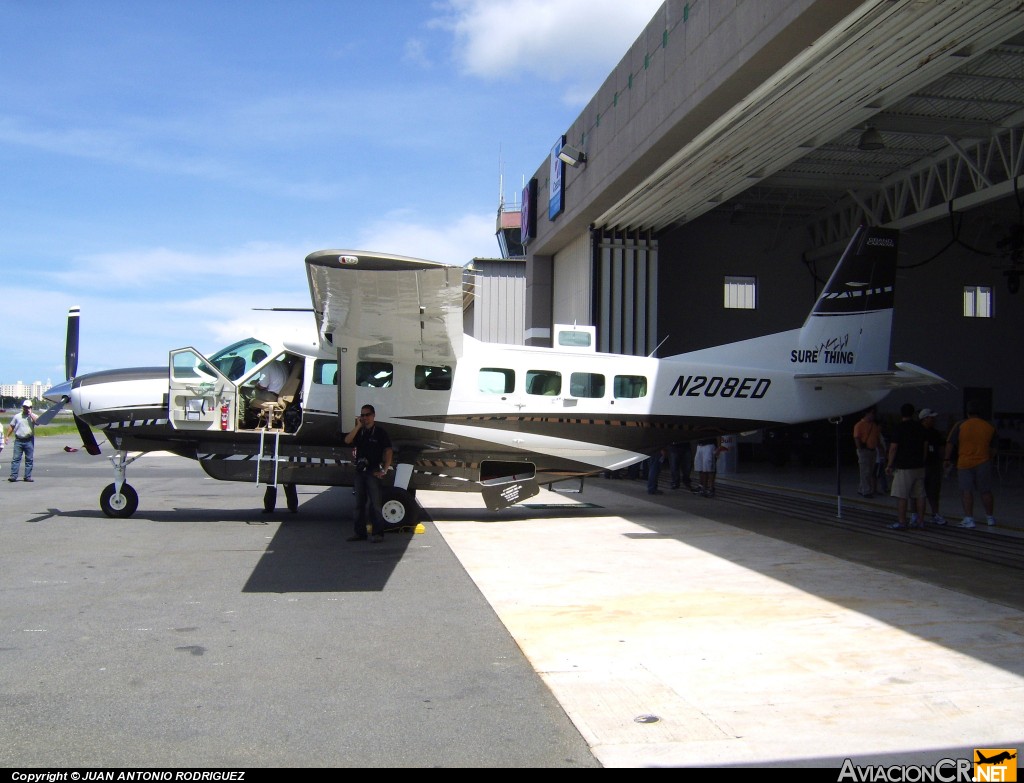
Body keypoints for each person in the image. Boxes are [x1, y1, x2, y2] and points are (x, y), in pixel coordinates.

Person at [343, 404, 393, 543]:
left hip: (373, 471)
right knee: (359, 504)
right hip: (360, 471)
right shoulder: (360, 432)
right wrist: (358, 426)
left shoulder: (380, 432)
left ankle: (378, 533)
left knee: (375, 504)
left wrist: (385, 469)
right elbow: (347, 440)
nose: (365, 418)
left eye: (367, 415)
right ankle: (359, 533)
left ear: (373, 415)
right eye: (362, 415)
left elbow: (388, 451)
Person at [945, 401, 997, 529]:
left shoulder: (960, 425)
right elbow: (994, 448)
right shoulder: (989, 426)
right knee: (985, 491)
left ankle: (969, 519)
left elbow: (950, 443)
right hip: (983, 462)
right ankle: (990, 518)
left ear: (967, 413)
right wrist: (988, 458)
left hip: (964, 463)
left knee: (966, 491)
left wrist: (946, 459)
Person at [884, 402, 927, 530]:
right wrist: (923, 460)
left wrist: (890, 464)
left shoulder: (899, 427)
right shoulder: (920, 427)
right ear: (913, 414)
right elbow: (925, 445)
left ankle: (902, 522)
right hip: (919, 465)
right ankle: (920, 521)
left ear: (901, 414)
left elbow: (893, 447)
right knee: (920, 495)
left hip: (904, 466)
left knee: (902, 495)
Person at [916, 408, 946, 526]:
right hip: (920, 466)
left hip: (933, 465)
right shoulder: (917, 432)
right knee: (918, 491)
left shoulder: (935, 433)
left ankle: (935, 513)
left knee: (934, 490)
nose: (933, 420)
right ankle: (916, 515)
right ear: (924, 419)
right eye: (931, 418)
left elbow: (941, 447)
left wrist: (943, 460)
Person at [853, 407, 883, 497]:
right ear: (867, 413)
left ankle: (862, 488)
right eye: (872, 413)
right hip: (864, 451)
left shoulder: (874, 425)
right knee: (865, 471)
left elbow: (877, 439)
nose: (873, 415)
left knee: (869, 471)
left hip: (872, 450)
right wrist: (860, 450)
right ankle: (866, 491)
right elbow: (857, 438)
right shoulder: (859, 425)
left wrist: (880, 449)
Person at [6, 400, 38, 482]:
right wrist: (7, 436)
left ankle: (27, 476)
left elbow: (37, 422)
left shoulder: (33, 416)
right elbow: (11, 426)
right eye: (25, 407)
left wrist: (30, 414)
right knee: (16, 459)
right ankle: (13, 476)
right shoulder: (17, 416)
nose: (26, 409)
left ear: (31, 408)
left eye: (28, 407)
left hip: (29, 440)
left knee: (29, 459)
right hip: (19, 440)